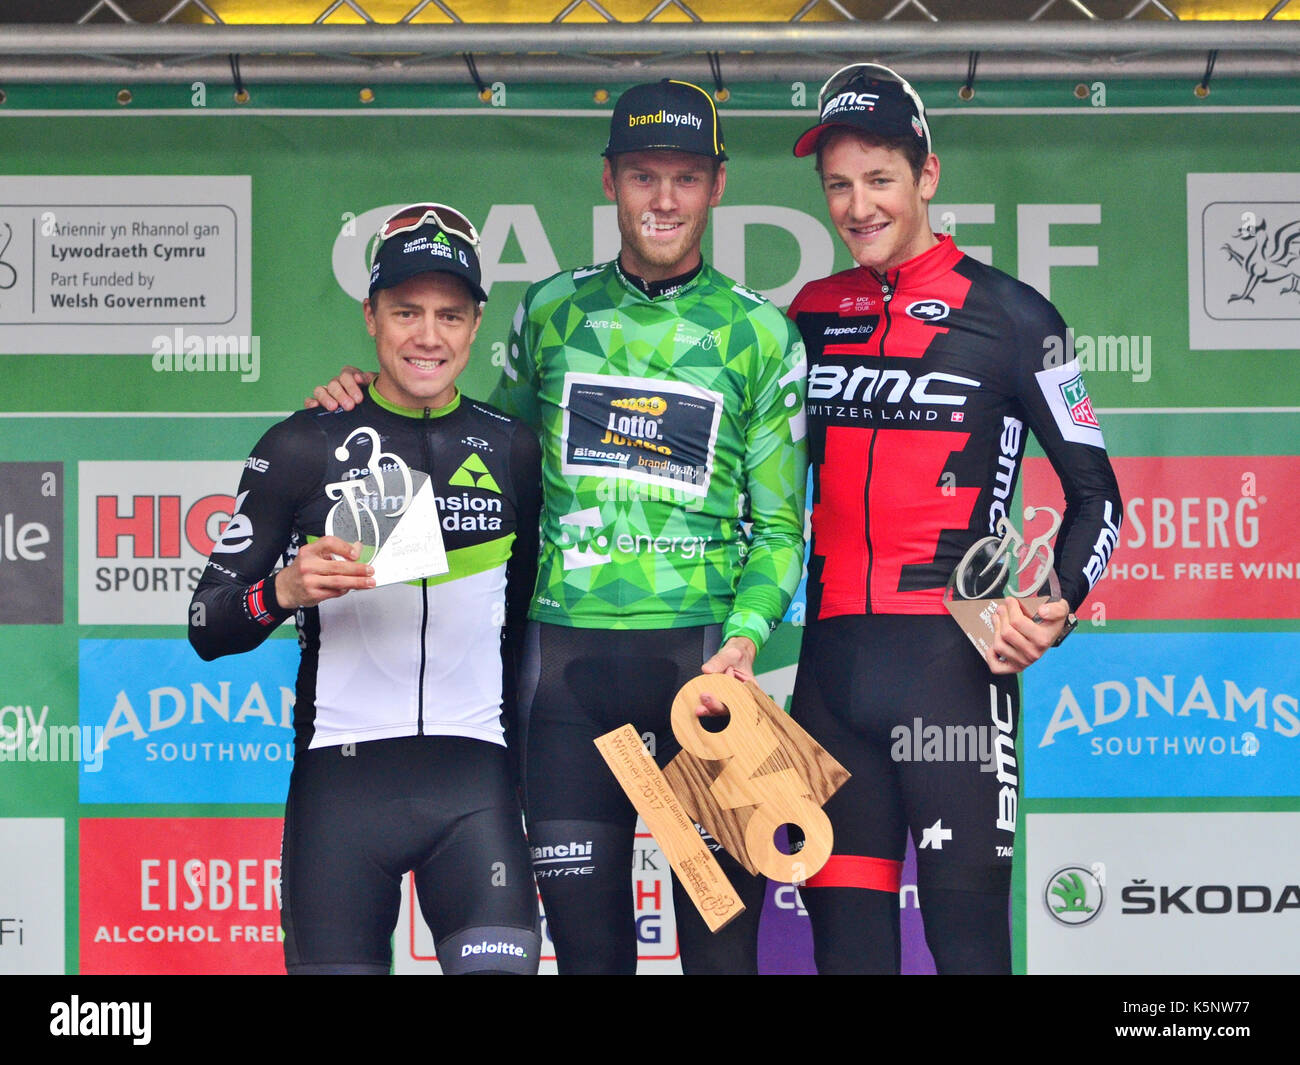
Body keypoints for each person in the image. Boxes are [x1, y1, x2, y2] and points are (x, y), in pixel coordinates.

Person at [310, 80, 808, 975]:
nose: (663, 200)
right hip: (564, 682)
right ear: (610, 180)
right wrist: (368, 407)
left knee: (725, 955)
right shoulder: (551, 311)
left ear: (718, 186)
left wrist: (743, 637)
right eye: (644, 176)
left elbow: (781, 527)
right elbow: (475, 451)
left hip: (703, 666)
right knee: (589, 957)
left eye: (686, 178)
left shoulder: (761, 333)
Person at [785, 65, 1122, 974]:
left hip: (953, 673)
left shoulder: (1016, 317)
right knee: (848, 954)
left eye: (880, 179)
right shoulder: (809, 315)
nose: (858, 205)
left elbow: (1099, 496)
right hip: (828, 677)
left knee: (968, 946)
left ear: (927, 175)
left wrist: (1056, 601)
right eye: (839, 184)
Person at [190, 202, 543, 975]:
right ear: (371, 317)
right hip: (341, 792)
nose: (428, 335)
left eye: (450, 314)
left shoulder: (513, 447)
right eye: (406, 311)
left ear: (476, 324)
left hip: (476, 783)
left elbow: (524, 626)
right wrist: (280, 590)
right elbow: (206, 622)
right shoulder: (302, 444)